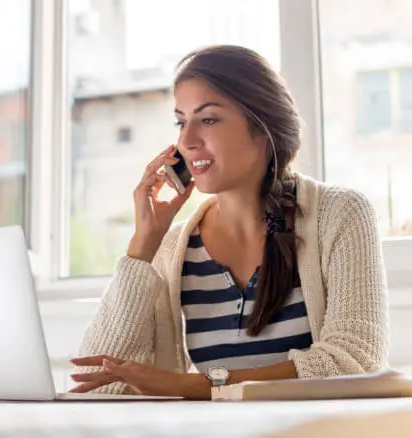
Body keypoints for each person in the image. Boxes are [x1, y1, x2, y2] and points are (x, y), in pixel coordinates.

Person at [68, 45, 389, 400]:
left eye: (208, 120)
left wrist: (195, 386)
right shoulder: (175, 247)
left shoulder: (339, 215)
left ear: (263, 126)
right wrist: (144, 244)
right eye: (180, 122)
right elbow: (97, 382)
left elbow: (355, 362)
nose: (187, 141)